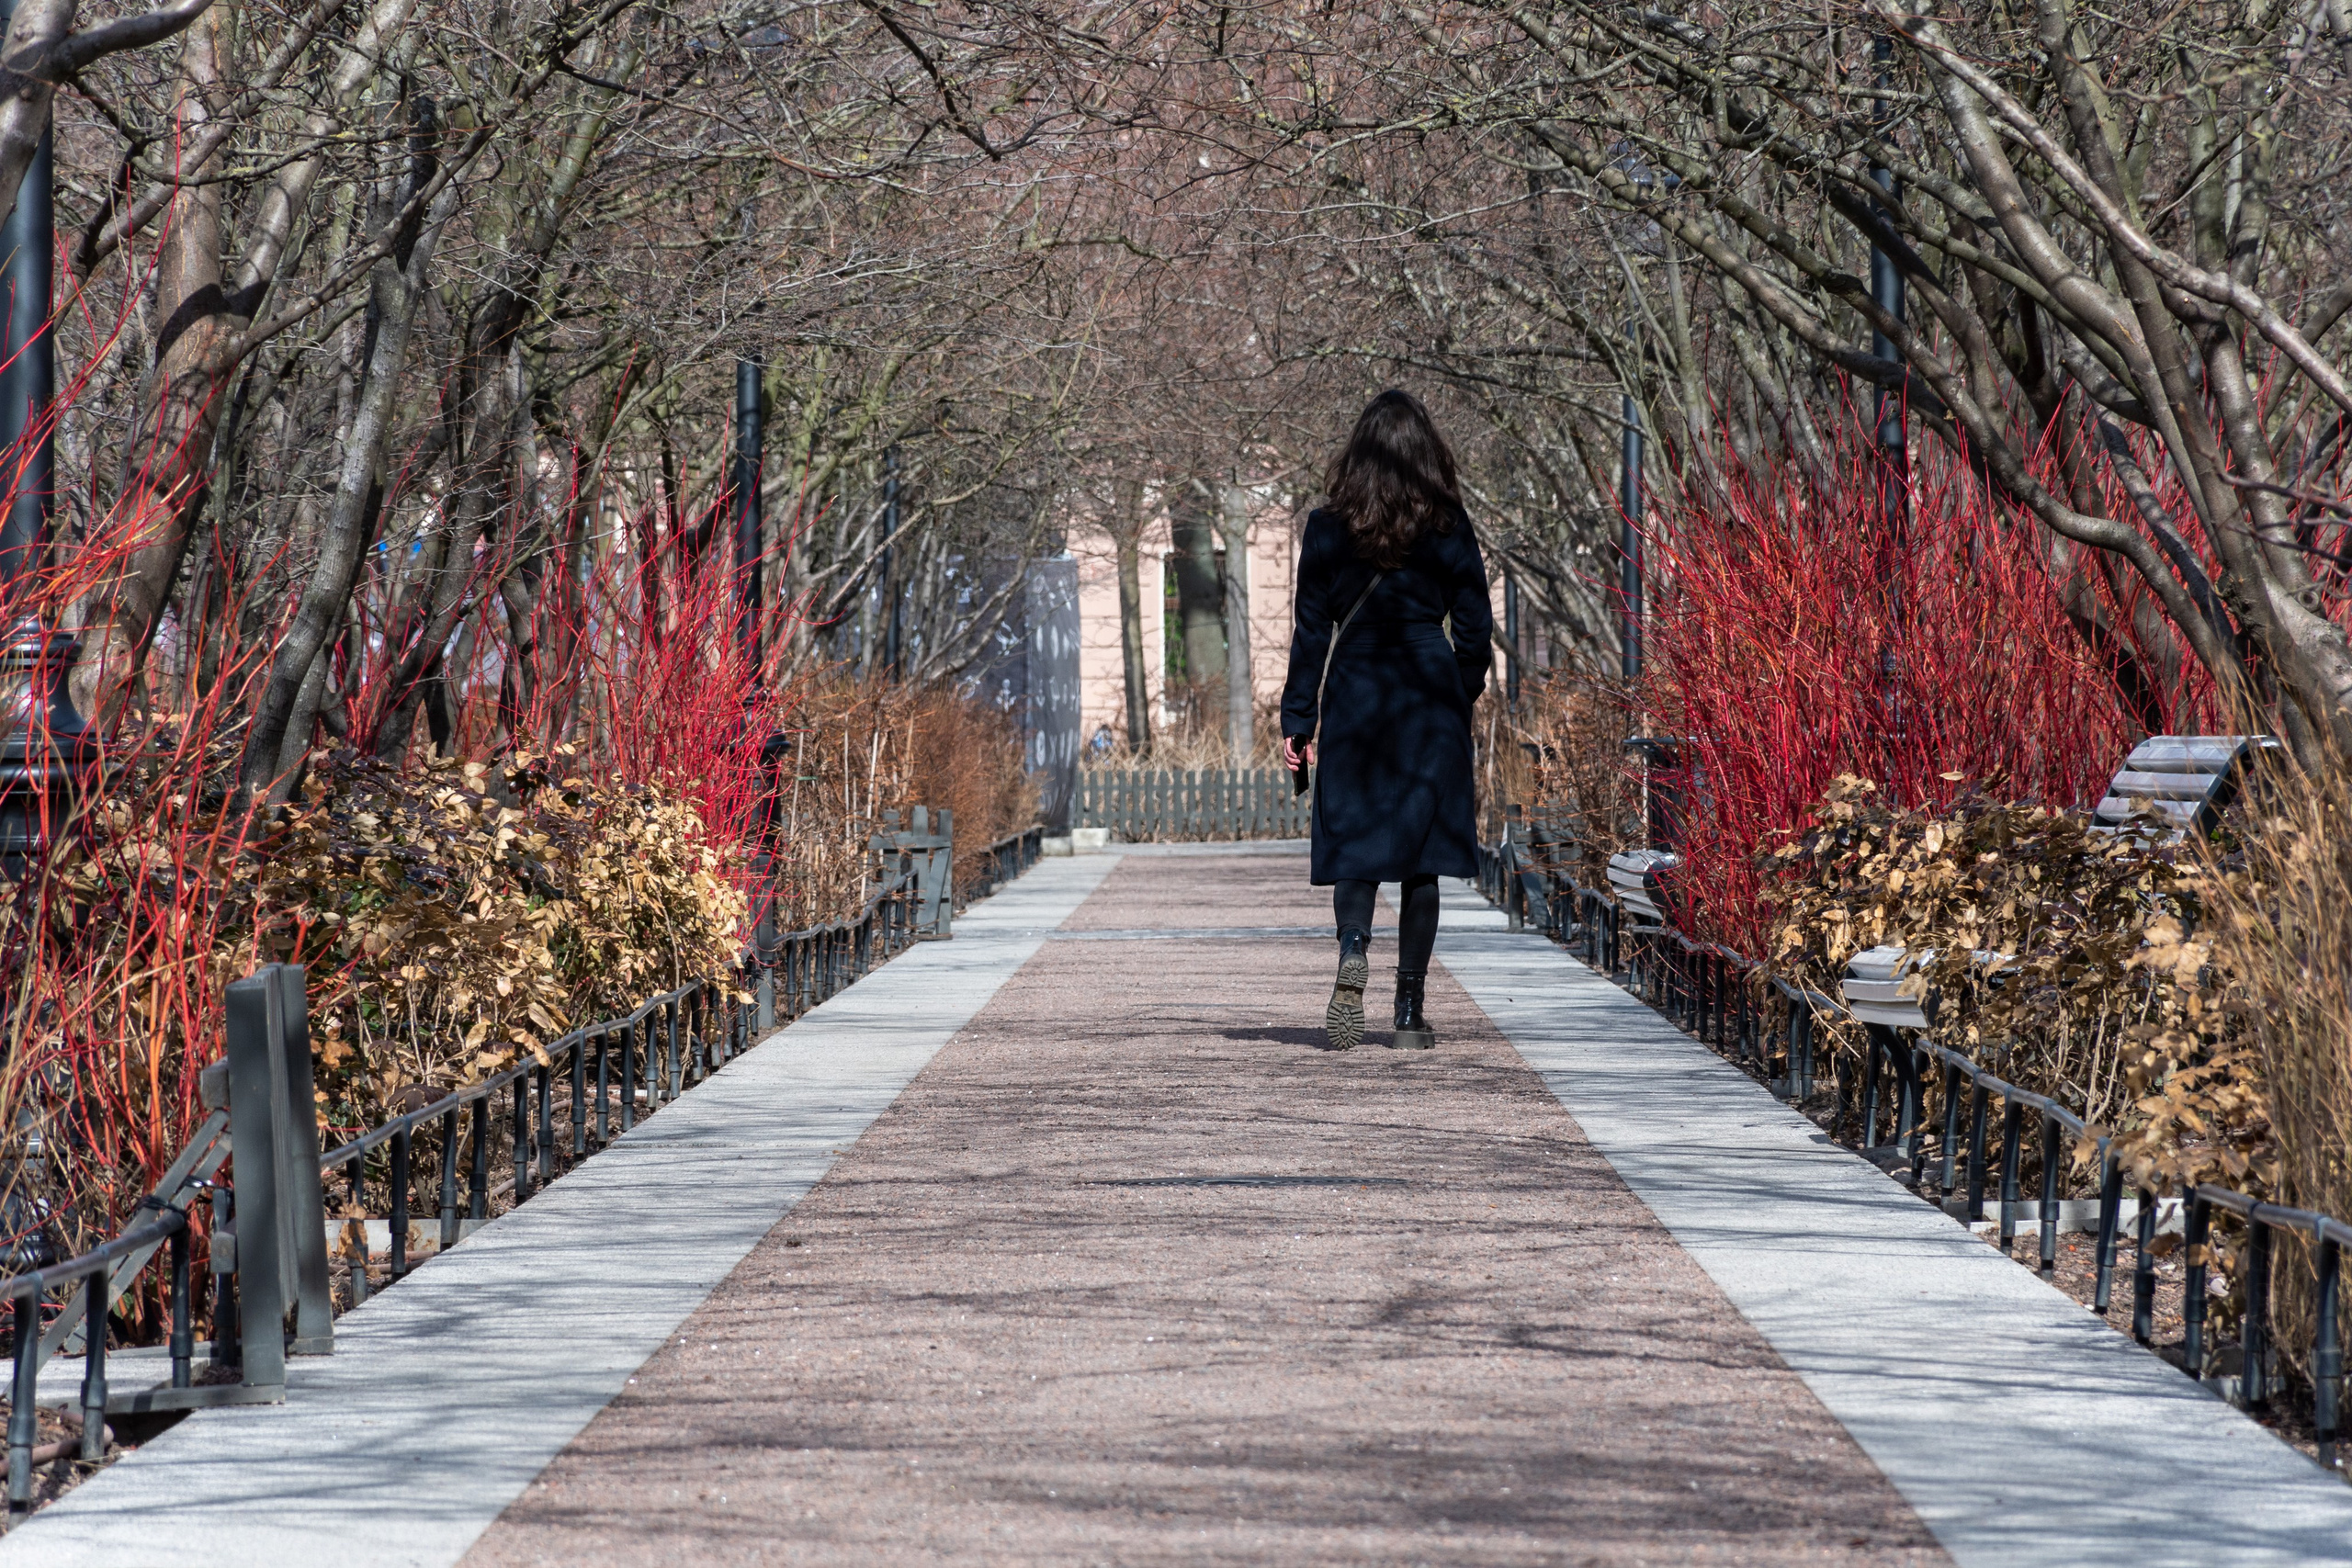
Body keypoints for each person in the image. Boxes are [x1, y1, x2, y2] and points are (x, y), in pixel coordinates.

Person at [1280, 389, 1493, 1050]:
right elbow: (1477, 628)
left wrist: (1299, 718)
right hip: (1428, 692)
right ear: (1425, 452)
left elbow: (1311, 630)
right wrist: (1459, 689)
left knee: (1357, 846)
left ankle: (1352, 943)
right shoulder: (1448, 524)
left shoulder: (1325, 527)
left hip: (1356, 692)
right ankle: (1408, 1010)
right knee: (1421, 859)